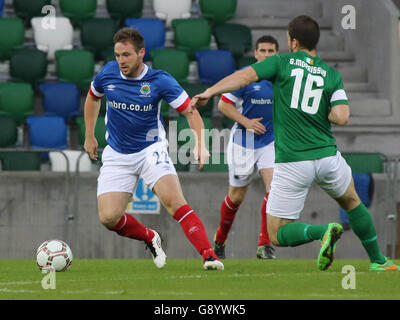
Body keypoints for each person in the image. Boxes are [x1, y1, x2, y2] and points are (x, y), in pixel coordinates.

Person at [190, 15, 398, 271]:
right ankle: (378, 260)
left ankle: (322, 231)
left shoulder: (282, 63)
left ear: (293, 41)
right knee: (353, 201)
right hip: (328, 158)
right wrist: (325, 113)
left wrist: (209, 92)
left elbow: (244, 77)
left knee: (277, 233)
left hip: (294, 161)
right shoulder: (331, 74)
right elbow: (342, 117)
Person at [84, 27, 224, 271]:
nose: (121, 61)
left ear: (141, 53)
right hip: (117, 153)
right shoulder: (107, 73)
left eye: (126, 55)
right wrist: (89, 136)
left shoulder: (160, 80)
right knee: (108, 218)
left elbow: (191, 112)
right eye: (117, 55)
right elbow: (93, 97)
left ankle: (209, 255)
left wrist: (201, 144)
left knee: (173, 202)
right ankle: (150, 237)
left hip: (150, 149)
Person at [213, 36, 279, 260]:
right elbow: (223, 104)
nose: (267, 55)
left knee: (274, 190)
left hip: (270, 141)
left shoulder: (282, 79)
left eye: (271, 51)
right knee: (236, 196)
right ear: (256, 53)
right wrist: (246, 122)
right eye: (263, 50)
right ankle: (220, 239)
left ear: (277, 54)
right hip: (244, 141)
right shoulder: (245, 76)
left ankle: (264, 244)